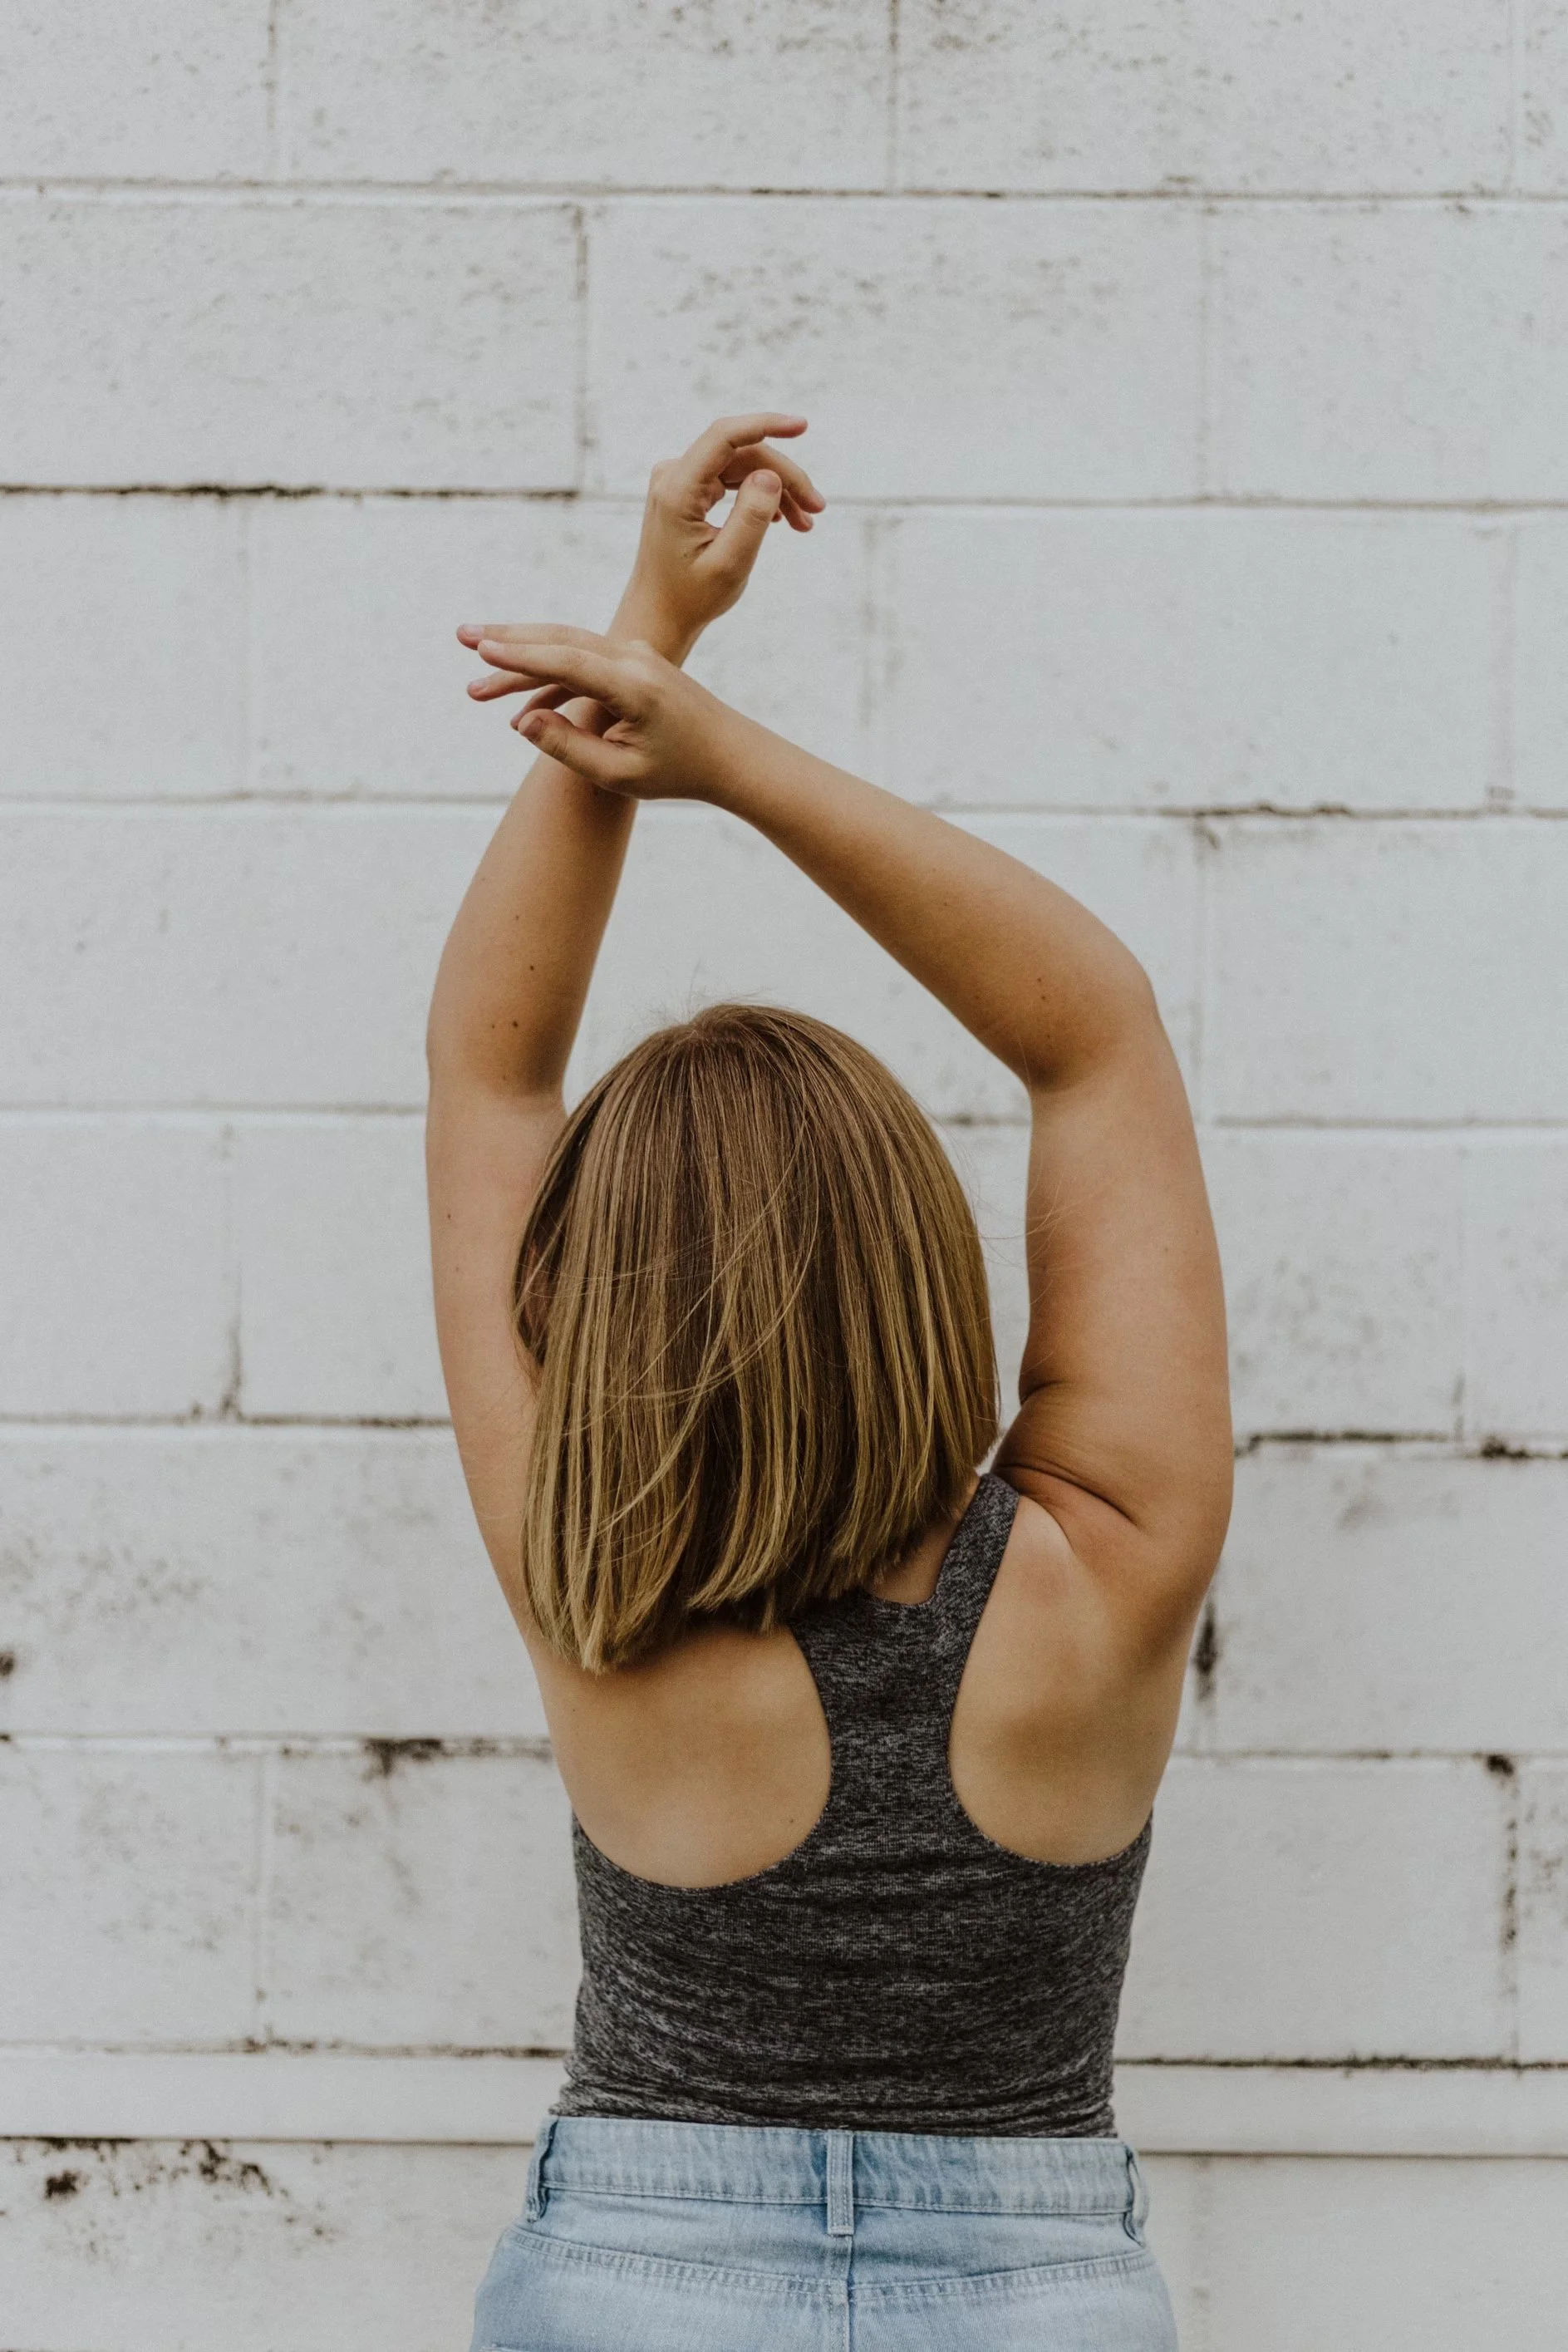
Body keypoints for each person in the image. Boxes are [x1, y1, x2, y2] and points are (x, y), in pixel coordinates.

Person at [425, 414, 1232, 2352]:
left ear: (592, 1301)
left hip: (636, 2280)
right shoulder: (1104, 1558)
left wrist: (648, 646)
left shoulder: (588, 1574)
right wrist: (724, 760)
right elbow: (1094, 1034)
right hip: (1036, 2291)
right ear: (916, 1265)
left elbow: (492, 1076)